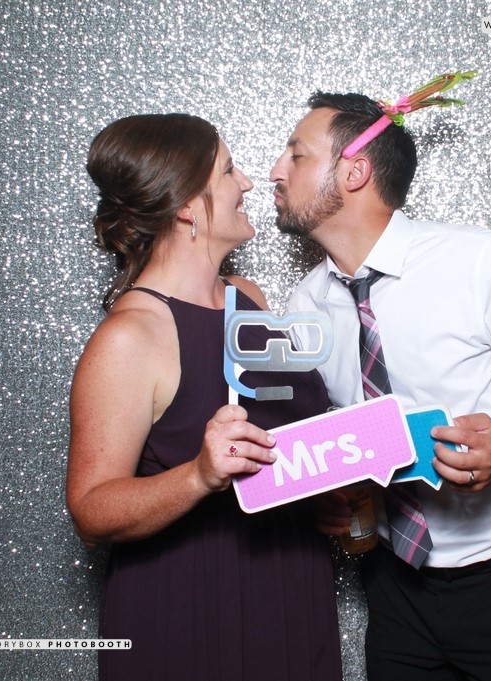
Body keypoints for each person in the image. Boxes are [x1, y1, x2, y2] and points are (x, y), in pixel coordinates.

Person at [271, 82, 491, 680]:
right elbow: (342, 436)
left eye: (296, 154)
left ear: (354, 172)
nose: (276, 171)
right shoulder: (306, 303)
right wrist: (329, 492)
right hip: (392, 580)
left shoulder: (480, 261)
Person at [66, 113, 342, 681]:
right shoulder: (132, 335)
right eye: (229, 170)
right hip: (190, 605)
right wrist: (197, 475)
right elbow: (91, 510)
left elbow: (276, 440)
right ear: (188, 206)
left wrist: (321, 494)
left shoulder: (247, 297)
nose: (248, 183)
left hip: (287, 588)